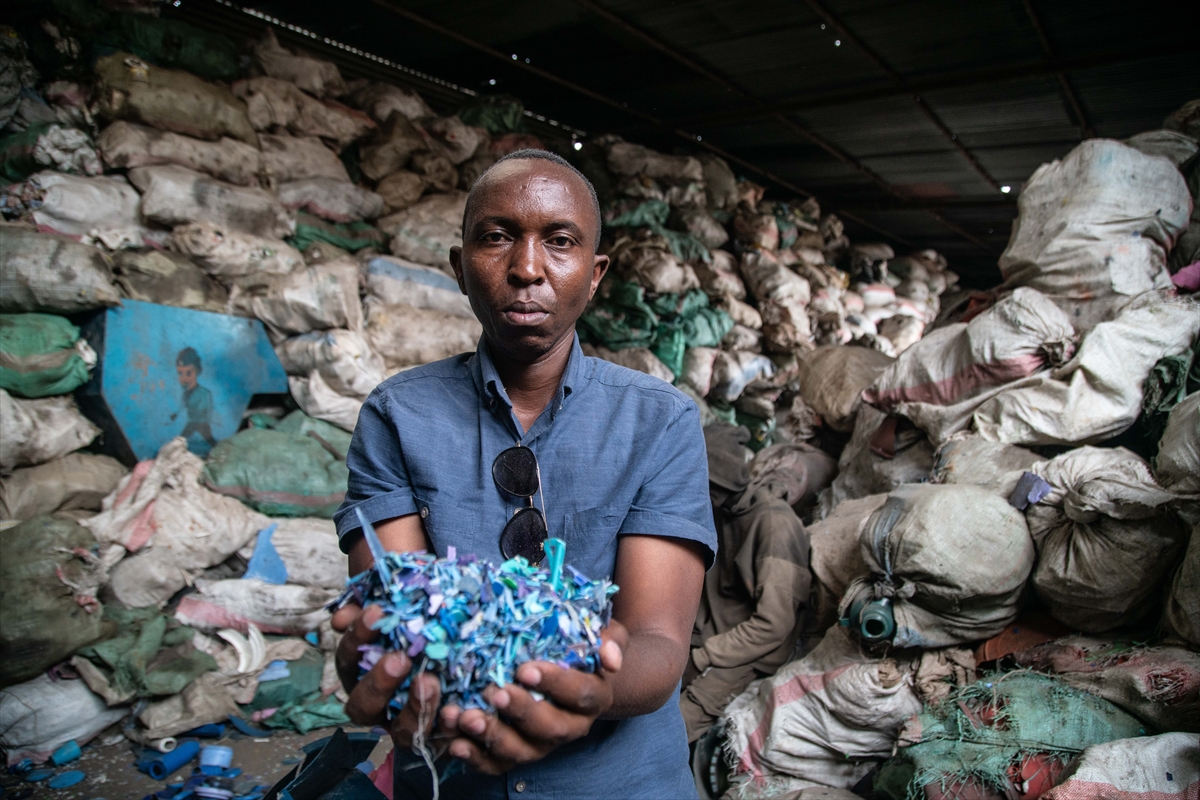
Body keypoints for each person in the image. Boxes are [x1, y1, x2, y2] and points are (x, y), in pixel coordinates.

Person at [331, 149, 717, 799]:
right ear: (459, 268)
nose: (527, 268)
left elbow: (656, 638)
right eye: (496, 237)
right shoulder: (398, 414)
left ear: (594, 276)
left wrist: (597, 688)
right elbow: (397, 607)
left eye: (559, 242)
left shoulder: (660, 421)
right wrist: (385, 661)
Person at [173, 347, 217, 456]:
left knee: (210, 440)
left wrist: (203, 417)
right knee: (181, 440)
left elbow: (207, 408)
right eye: (180, 373)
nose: (184, 378)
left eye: (188, 373)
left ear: (197, 371)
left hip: (201, 422)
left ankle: (221, 453)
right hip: (192, 422)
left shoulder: (204, 393)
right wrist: (176, 414)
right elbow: (182, 405)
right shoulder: (186, 393)